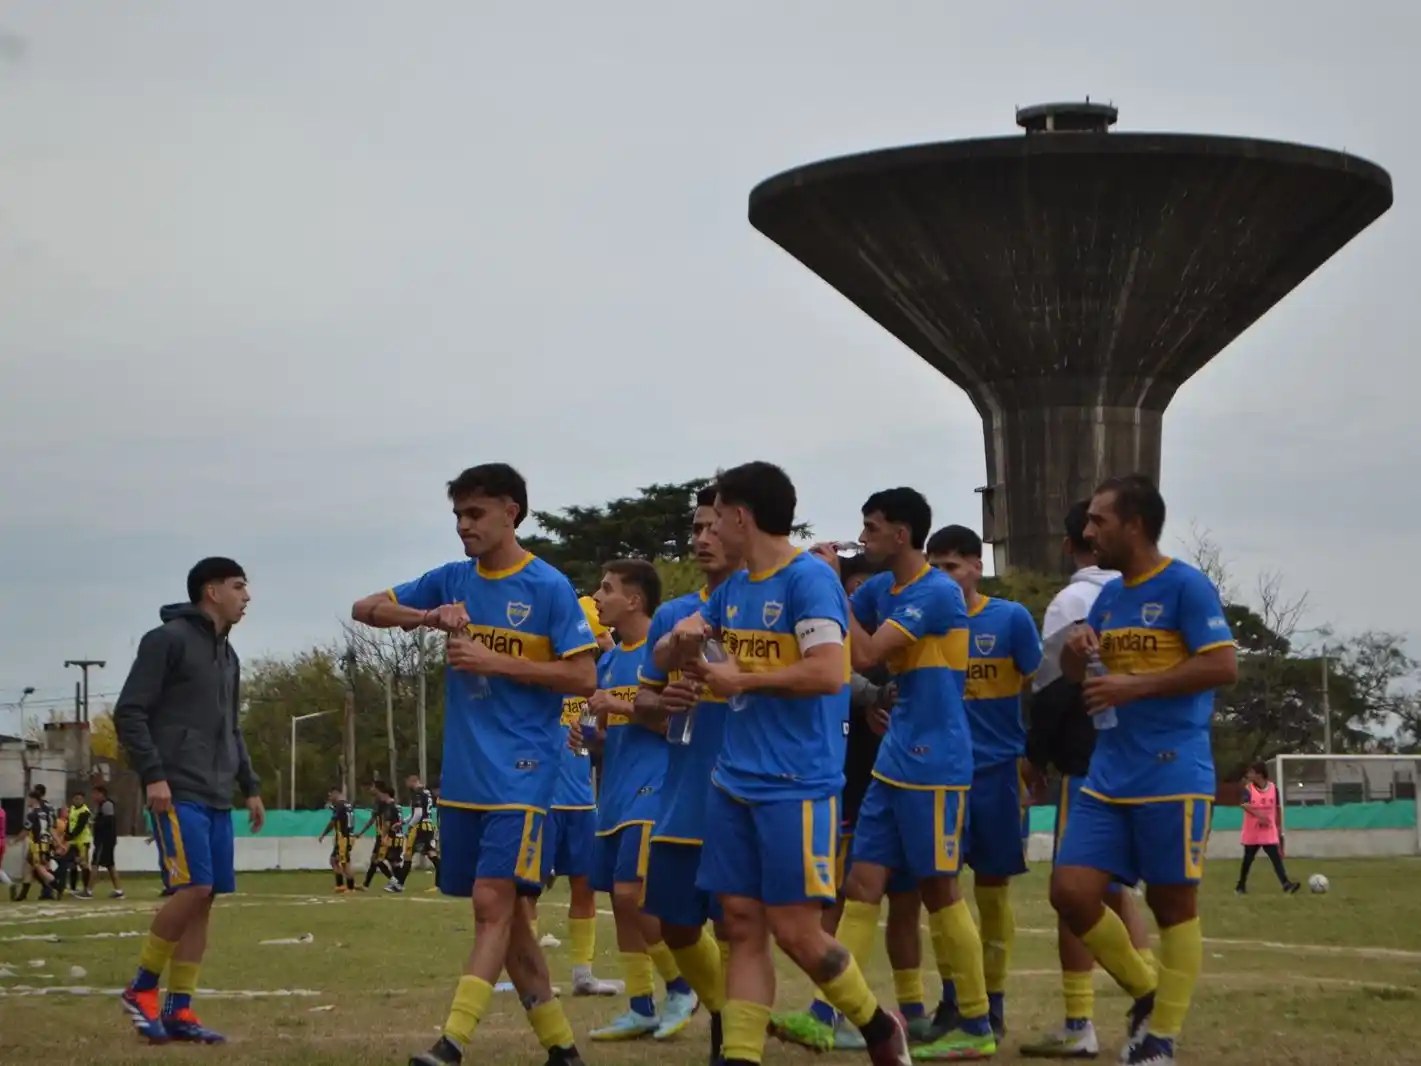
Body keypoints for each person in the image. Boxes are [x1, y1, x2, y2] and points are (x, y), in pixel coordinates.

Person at [661, 461, 912, 1066]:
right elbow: (670, 653)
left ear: (741, 517)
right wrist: (684, 641)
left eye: (716, 516)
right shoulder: (733, 589)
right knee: (742, 924)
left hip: (796, 785)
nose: (710, 528)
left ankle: (879, 1027)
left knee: (798, 934)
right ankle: (742, 1057)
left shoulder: (808, 581)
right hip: (733, 783)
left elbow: (829, 671)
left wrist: (738, 676)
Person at [351, 462, 597, 1066]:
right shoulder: (452, 580)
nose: (464, 526)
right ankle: (562, 1048)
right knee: (507, 920)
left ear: (511, 511)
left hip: (523, 771)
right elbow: (365, 608)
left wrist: (496, 662)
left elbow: (583, 676)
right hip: (463, 778)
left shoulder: (547, 587)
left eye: (475, 514)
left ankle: (451, 1044)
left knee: (494, 903)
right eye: (458, 515)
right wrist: (428, 616)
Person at [800, 489, 996, 1061]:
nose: (863, 537)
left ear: (902, 534)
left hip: (936, 760)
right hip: (895, 758)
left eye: (872, 527)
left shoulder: (936, 591)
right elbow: (830, 635)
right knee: (860, 887)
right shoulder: (883, 589)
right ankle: (823, 1011)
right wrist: (816, 584)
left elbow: (862, 656)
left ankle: (977, 1022)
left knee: (939, 890)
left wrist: (832, 582)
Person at [1053, 475, 1238, 1066]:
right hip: (1108, 776)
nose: (1088, 531)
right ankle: (1147, 989)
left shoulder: (1185, 585)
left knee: (1171, 903)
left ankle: (1160, 1037)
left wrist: (1138, 687)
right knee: (1071, 892)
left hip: (1171, 772)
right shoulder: (1109, 598)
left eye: (1099, 521)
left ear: (1135, 524)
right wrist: (1075, 651)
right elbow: (1081, 678)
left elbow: (1223, 666)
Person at [1020, 500, 1155, 1059]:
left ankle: (1086, 1019)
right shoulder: (1150, 591)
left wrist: (1035, 757)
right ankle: (1152, 1017)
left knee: (1073, 892)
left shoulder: (1074, 600)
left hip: (1090, 759)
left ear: (1069, 541)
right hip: (1148, 757)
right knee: (1119, 891)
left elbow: (1054, 690)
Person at [113, 556, 266, 1044]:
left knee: (206, 899)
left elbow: (231, 727)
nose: (247, 596)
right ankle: (140, 989)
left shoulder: (229, 656)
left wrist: (252, 786)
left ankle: (180, 1011)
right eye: (239, 586)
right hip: (177, 788)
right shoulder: (167, 641)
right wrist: (154, 775)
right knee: (192, 889)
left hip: (218, 791)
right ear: (211, 591)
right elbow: (130, 712)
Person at [633, 485, 741, 1063]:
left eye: (713, 527)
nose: (702, 538)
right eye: (696, 528)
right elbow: (642, 708)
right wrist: (665, 701)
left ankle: (733, 1036)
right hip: (680, 794)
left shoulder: (769, 608)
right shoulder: (675, 617)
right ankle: (726, 1008)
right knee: (674, 926)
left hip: (743, 790)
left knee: (735, 927)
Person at [925, 524, 1044, 1041]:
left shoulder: (1010, 619)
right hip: (938, 775)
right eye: (934, 568)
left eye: (951, 567)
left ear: (976, 566)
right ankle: (953, 1001)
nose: (943, 577)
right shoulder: (924, 620)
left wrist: (1031, 760)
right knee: (942, 894)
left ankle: (993, 1004)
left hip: (996, 777)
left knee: (992, 896)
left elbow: (1040, 686)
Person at [574, 559, 699, 1041]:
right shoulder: (607, 660)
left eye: (606, 589)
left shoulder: (663, 654)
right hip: (615, 793)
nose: (598, 597)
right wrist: (585, 736)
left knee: (634, 895)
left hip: (657, 788)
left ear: (635, 600)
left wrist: (621, 706)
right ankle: (642, 1005)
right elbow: (607, 736)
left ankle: (683, 985)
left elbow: (681, 726)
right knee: (620, 902)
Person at [543, 599, 622, 996]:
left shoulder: (596, 685)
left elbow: (621, 671)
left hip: (580, 802)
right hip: (540, 800)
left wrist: (608, 643)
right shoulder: (550, 676)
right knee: (526, 890)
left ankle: (582, 974)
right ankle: (535, 976)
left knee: (585, 887)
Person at [1236, 762, 1299, 895]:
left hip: (1268, 831)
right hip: (1252, 832)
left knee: (1276, 859)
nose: (1249, 775)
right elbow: (1244, 804)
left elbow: (1277, 808)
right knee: (1247, 860)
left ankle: (1286, 884)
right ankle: (1240, 886)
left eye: (1251, 772)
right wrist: (1260, 816)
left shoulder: (1273, 789)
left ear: (1259, 774)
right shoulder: (1248, 789)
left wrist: (1278, 826)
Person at [400, 774, 443, 890]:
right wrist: (403, 822)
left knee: (408, 853)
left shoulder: (418, 793)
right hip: (428, 825)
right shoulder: (427, 792)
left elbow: (418, 814)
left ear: (412, 781)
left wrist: (409, 826)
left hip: (420, 827)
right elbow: (418, 812)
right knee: (431, 853)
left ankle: (398, 883)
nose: (406, 785)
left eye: (407, 782)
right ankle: (439, 882)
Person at [319, 786, 357, 893]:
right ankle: (340, 885)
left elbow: (333, 822)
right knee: (334, 860)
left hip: (344, 837)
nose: (330, 797)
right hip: (347, 836)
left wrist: (323, 834)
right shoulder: (347, 805)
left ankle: (350, 887)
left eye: (330, 794)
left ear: (336, 793)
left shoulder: (340, 805)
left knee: (345, 862)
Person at [91, 784, 125, 898]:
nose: (93, 796)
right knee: (110, 865)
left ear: (101, 794)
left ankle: (88, 890)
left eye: (95, 793)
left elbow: (108, 823)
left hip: (104, 841)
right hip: (104, 841)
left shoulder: (107, 805)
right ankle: (119, 890)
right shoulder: (100, 806)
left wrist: (95, 823)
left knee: (95, 863)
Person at [66, 790, 95, 898]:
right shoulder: (72, 809)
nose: (77, 801)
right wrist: (67, 834)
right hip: (73, 841)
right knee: (72, 864)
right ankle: (73, 888)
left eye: (79, 799)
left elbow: (80, 827)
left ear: (83, 800)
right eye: (75, 798)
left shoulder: (85, 811)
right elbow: (69, 823)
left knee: (83, 864)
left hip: (83, 841)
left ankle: (86, 888)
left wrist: (70, 835)